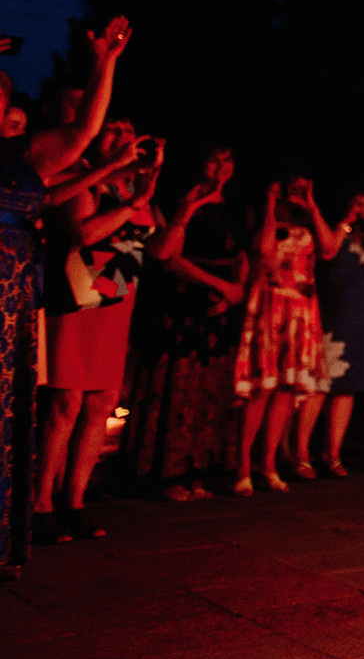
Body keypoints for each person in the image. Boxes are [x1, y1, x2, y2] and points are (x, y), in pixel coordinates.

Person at [2, 21, 129, 574]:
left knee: (15, 411)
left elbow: (82, 132)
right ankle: (40, 506)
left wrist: (105, 62)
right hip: (50, 289)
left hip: (20, 294)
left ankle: (22, 525)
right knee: (58, 403)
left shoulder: (23, 157)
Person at [36, 113, 162, 542]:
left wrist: (145, 191)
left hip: (118, 297)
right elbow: (85, 233)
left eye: (129, 131)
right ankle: (40, 503)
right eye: (113, 129)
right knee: (65, 402)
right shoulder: (80, 176)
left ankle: (74, 500)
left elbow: (152, 241)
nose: (122, 137)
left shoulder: (130, 185)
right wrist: (131, 205)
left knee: (100, 402)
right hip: (77, 296)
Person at [125, 145, 246, 500]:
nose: (221, 166)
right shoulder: (171, 201)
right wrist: (219, 285)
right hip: (180, 300)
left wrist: (234, 291)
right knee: (177, 386)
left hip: (220, 307)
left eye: (227, 159)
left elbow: (243, 254)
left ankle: (198, 470)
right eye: (213, 159)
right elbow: (167, 256)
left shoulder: (237, 207)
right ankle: (169, 473)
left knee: (210, 388)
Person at [230, 178, 334, 495]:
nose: (296, 192)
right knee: (262, 386)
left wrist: (312, 207)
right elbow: (263, 252)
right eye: (292, 186)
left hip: (301, 308)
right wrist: (271, 206)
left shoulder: (310, 221)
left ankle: (268, 463)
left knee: (287, 388)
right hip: (270, 305)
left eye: (302, 187)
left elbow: (329, 249)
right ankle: (243, 465)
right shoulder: (263, 217)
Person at [300, 192, 364, 476]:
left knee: (347, 387)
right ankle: (300, 454)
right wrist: (346, 221)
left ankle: (332, 453)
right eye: (358, 204)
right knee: (319, 387)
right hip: (331, 320)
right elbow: (327, 252)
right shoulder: (336, 235)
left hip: (359, 324)